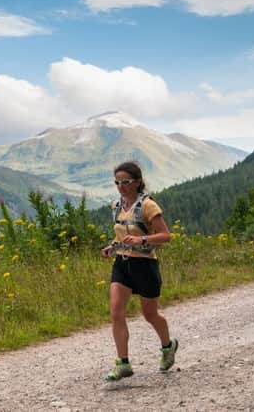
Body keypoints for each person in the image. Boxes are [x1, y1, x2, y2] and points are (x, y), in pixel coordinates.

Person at [100, 161, 178, 382]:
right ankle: (123, 363)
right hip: (122, 264)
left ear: (138, 182)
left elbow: (165, 236)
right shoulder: (116, 206)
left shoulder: (148, 206)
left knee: (150, 315)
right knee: (116, 312)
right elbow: (121, 234)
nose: (121, 186)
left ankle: (168, 346)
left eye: (126, 182)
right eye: (117, 182)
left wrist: (142, 239)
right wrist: (112, 246)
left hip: (145, 266)